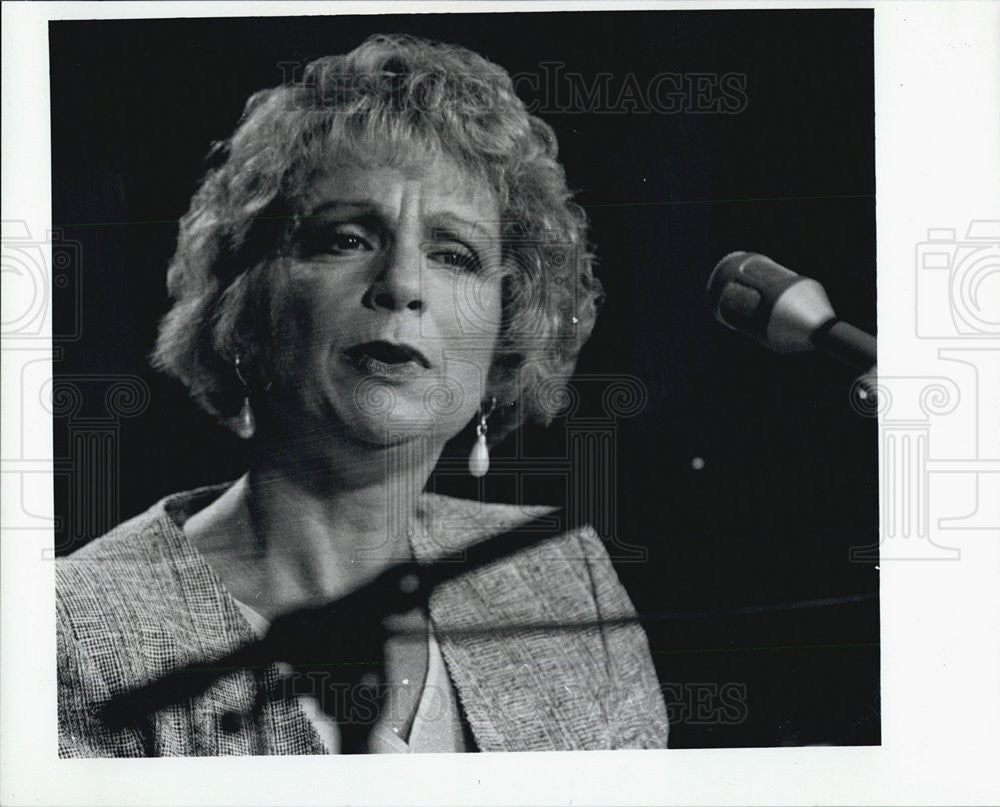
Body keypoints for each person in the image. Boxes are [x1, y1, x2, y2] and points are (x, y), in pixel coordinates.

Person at [56, 34, 668, 756]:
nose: (403, 284)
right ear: (243, 305)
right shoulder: (66, 633)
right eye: (346, 238)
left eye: (453, 254)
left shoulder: (565, 576)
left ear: (507, 331)